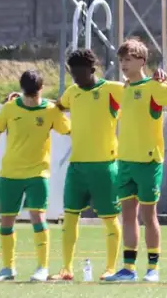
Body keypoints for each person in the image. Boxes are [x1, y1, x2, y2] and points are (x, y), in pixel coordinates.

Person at [0, 70, 70, 282]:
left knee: (38, 217)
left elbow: (69, 130)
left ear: (41, 90)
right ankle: (8, 268)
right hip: (10, 174)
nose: (32, 100)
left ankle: (42, 267)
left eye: (35, 95)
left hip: (38, 173)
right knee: (6, 221)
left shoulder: (50, 110)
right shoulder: (10, 108)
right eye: (28, 95)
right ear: (22, 91)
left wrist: (64, 107)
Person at [104, 39, 167, 283]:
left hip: (149, 161)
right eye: (121, 60)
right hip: (125, 161)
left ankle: (153, 268)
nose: (123, 64)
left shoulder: (154, 87)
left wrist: (165, 79)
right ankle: (128, 268)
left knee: (149, 215)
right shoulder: (120, 89)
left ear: (142, 61)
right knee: (127, 215)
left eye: (128, 59)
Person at [51, 49, 126, 281]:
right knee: (70, 217)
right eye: (72, 73)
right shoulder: (72, 92)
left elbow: (139, 93)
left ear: (93, 70)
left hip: (105, 166)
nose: (75, 78)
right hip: (77, 167)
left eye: (79, 73)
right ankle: (66, 269)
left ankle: (111, 268)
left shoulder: (113, 89)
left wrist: (158, 81)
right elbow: (57, 107)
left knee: (110, 218)